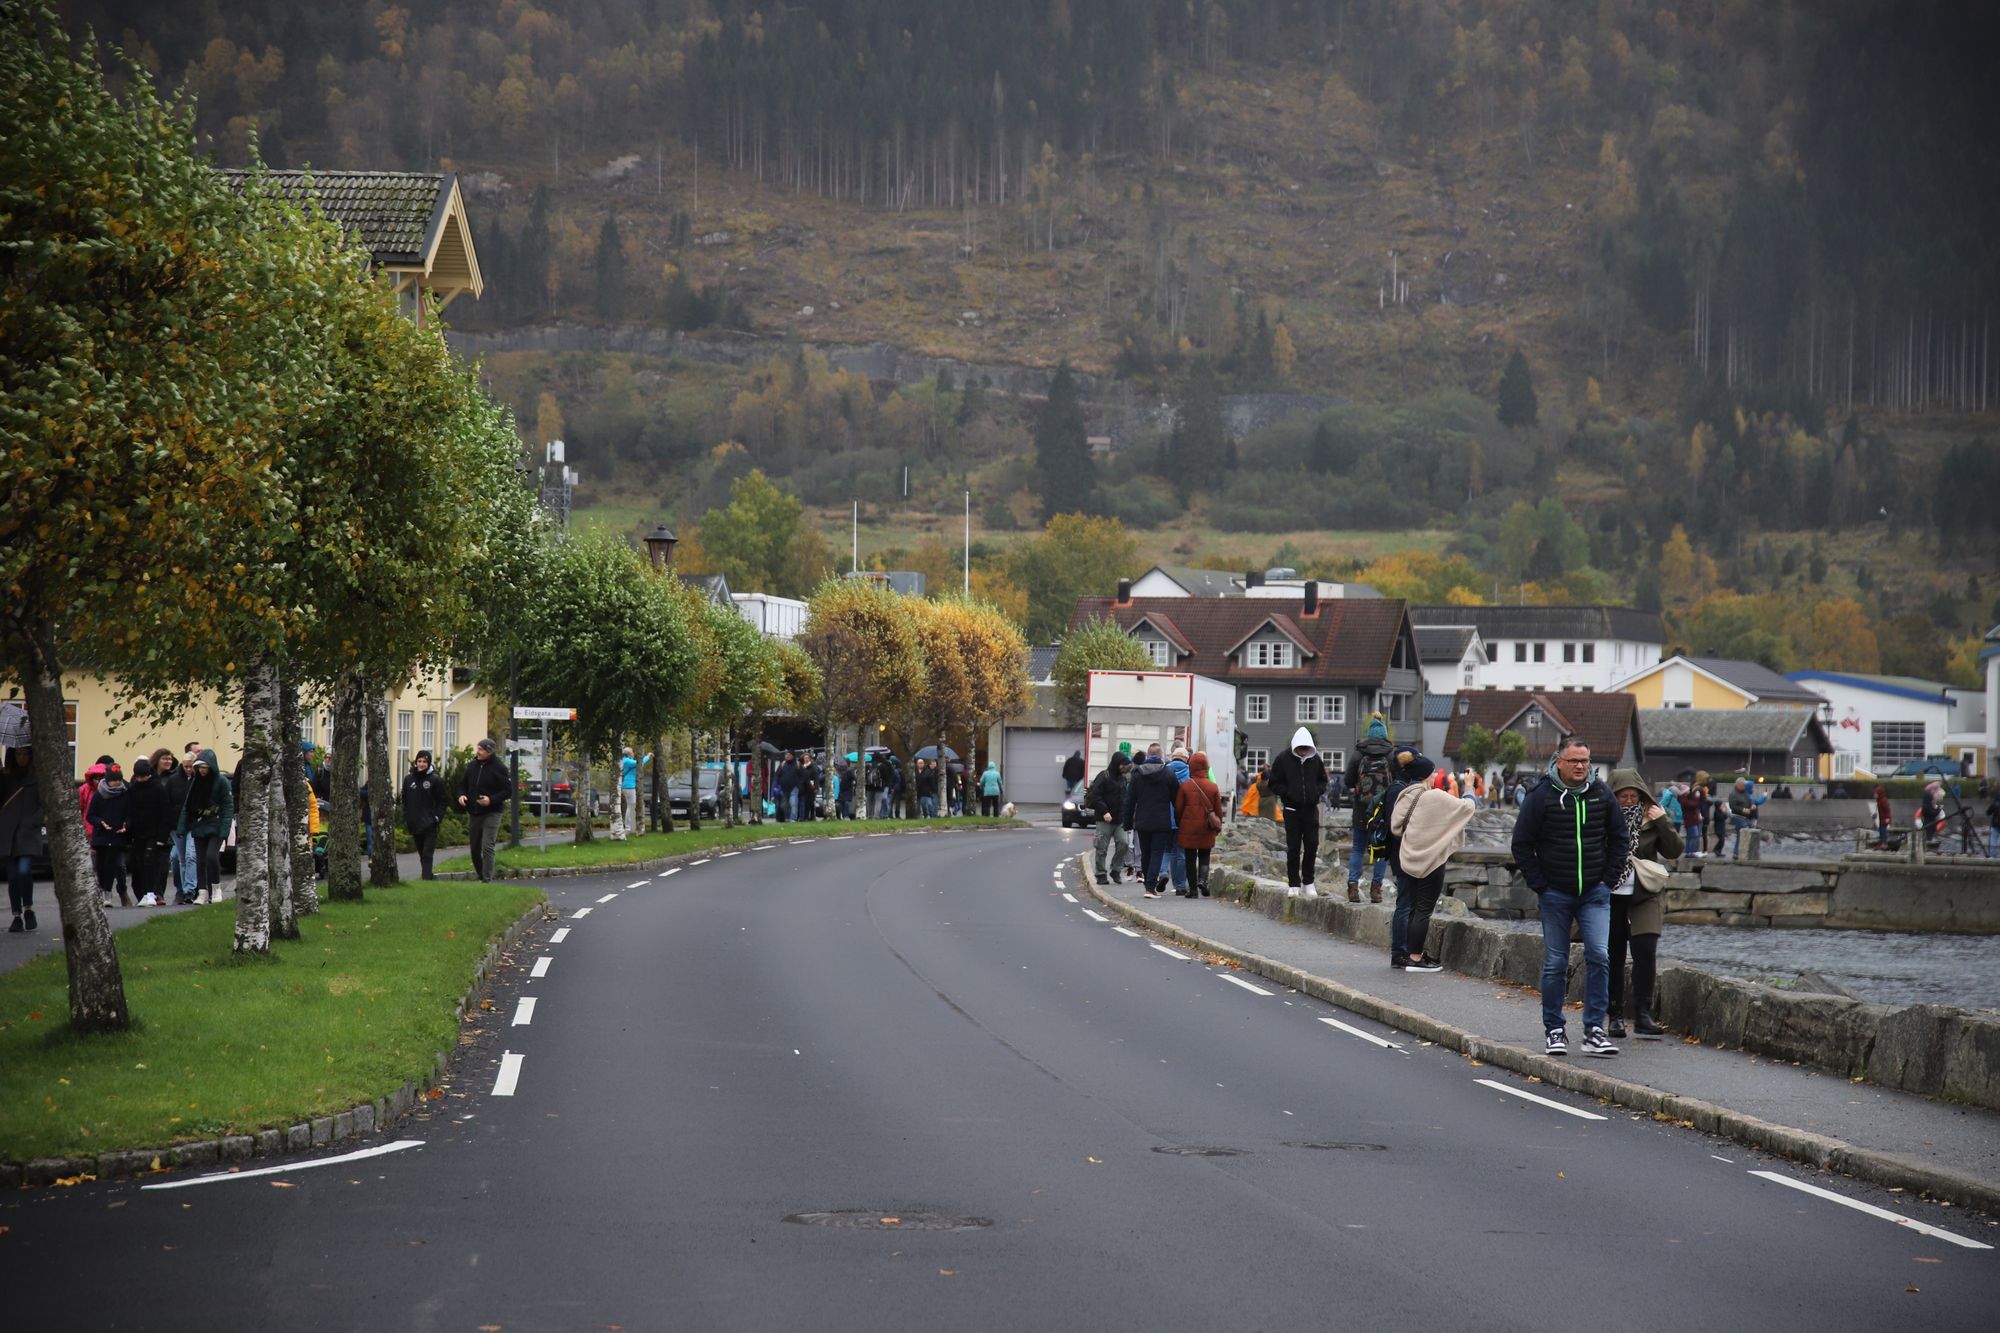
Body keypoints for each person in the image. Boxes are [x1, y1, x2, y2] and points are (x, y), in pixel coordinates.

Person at [1511, 738, 1630, 1059]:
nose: (1581, 766)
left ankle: (1594, 1030)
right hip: (1556, 893)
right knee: (1555, 964)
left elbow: (1620, 839)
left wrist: (1608, 880)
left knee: (1599, 957)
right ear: (1559, 761)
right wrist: (1541, 885)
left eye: (1586, 761)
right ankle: (1554, 1030)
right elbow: (1521, 844)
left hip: (1595, 892)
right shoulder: (1540, 797)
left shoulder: (1601, 794)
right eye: (1574, 760)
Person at [1606, 769, 1683, 1039]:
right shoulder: (1602, 817)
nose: (1628, 801)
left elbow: (1673, 850)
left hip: (1644, 893)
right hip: (1611, 894)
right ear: (1613, 797)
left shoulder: (1651, 817)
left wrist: (1663, 821)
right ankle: (1614, 1016)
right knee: (1613, 955)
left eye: (1633, 796)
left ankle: (1643, 1014)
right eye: (1623, 796)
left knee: (1645, 950)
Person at [1385, 747, 1475, 972]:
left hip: (1409, 857)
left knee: (1413, 908)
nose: (1436, 775)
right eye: (1433, 772)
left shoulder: (1406, 794)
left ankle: (1409, 953)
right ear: (1426, 774)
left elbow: (1396, 826)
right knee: (1424, 910)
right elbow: (1467, 807)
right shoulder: (1433, 796)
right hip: (1432, 860)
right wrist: (1470, 786)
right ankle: (1416, 958)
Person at [1266, 727, 1329, 897]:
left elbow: (1323, 781)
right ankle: (1293, 883)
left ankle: (1308, 882)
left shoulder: (1315, 760)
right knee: (1293, 847)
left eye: (1306, 748)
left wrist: (1317, 791)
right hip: (1292, 809)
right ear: (1295, 747)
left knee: (1311, 845)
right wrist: (1287, 792)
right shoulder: (1282, 759)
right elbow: (1273, 783)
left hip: (1310, 809)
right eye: (1300, 749)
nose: (1303, 752)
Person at [1344, 715, 1394, 903]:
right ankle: (1376, 890)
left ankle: (1353, 888)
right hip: (1382, 810)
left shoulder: (1358, 753)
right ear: (1384, 735)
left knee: (1358, 848)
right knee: (1381, 849)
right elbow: (1398, 781)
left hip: (1361, 809)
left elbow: (1348, 781)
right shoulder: (1390, 754)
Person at [174, 749, 234, 905]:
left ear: (211, 767)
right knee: (199, 860)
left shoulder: (221, 781)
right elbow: (188, 806)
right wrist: (182, 827)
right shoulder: (197, 782)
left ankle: (216, 889)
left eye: (205, 767)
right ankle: (202, 892)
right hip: (199, 825)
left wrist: (225, 829)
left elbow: (228, 807)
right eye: (199, 767)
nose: (202, 770)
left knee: (211, 857)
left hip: (216, 825)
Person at [1121, 744, 1181, 898]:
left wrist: (1127, 822)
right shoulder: (1168, 774)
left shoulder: (1137, 774)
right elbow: (1177, 800)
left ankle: (1149, 884)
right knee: (1156, 853)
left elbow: (1130, 801)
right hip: (1161, 821)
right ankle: (1150, 887)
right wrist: (1180, 819)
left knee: (1146, 853)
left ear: (1148, 755)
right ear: (1161, 755)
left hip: (1142, 820)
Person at [456, 738, 511, 882]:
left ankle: (487, 879)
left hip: (492, 812)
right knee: (474, 849)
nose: (477, 752)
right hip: (474, 811)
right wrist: (461, 795)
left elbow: (507, 791)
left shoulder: (499, 768)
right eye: (477, 748)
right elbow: (463, 784)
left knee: (487, 846)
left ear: (489, 751)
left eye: (481, 749)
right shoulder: (472, 766)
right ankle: (481, 874)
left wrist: (491, 800)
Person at [2, 745, 44, 931]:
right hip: (8, 833)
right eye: (18, 754)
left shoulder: (37, 778)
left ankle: (28, 908)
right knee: (12, 876)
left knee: (24, 871)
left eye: (25, 754)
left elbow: (44, 804)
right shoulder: (5, 778)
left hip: (27, 832)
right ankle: (16, 915)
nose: (21, 758)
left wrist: (34, 821)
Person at [125, 756, 175, 906]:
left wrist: (162, 836)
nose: (141, 780)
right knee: (138, 864)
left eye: (143, 776)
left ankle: (151, 893)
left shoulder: (158, 788)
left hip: (154, 833)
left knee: (150, 862)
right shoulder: (133, 790)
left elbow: (165, 813)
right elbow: (130, 811)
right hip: (138, 833)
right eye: (138, 777)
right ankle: (143, 894)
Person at [1173, 750, 1224, 898]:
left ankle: (1193, 890)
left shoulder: (1185, 786)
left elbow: (1178, 809)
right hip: (1207, 827)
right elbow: (1218, 810)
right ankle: (1203, 880)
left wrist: (1181, 823)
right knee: (1204, 854)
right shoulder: (1213, 787)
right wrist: (1218, 826)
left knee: (1190, 857)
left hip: (1188, 827)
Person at [401, 750, 448, 880]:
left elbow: (442, 801)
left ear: (429, 763)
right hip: (415, 824)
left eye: (424, 762)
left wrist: (437, 817)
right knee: (422, 854)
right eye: (419, 761)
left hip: (430, 825)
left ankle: (426, 879)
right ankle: (428, 876)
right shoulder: (409, 779)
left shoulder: (435, 780)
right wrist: (407, 816)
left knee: (427, 854)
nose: (421, 764)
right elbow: (404, 799)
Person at [1087, 752, 1132, 885]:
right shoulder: (1103, 776)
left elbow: (1125, 797)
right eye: (1124, 765)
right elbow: (1095, 796)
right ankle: (1101, 874)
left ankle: (1115, 870)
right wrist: (1104, 811)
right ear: (1117, 764)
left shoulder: (1123, 778)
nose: (1126, 767)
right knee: (1101, 847)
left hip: (1119, 819)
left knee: (1124, 843)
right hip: (1104, 818)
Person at [617, 745, 649, 839]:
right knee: (632, 806)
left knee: (631, 806)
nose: (633, 754)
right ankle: (629, 827)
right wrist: (648, 756)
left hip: (629, 786)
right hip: (629, 786)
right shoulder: (627, 761)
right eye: (632, 752)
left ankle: (631, 827)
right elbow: (639, 762)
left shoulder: (626, 761)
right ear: (629, 754)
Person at [1873, 784, 1894, 848]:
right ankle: (1881, 842)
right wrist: (1875, 814)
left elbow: (1887, 810)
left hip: (1885, 818)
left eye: (1876, 794)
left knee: (1883, 830)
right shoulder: (1879, 800)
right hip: (1881, 818)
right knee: (1881, 830)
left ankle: (1884, 843)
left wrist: (1888, 818)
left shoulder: (1883, 800)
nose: (1874, 795)